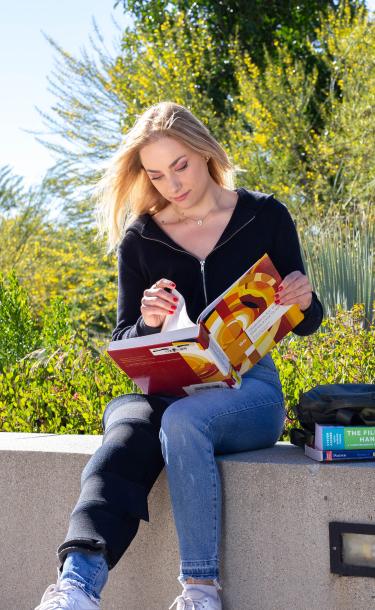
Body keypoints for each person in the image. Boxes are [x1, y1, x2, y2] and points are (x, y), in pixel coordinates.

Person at [35, 101, 323, 610]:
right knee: (124, 428)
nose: (172, 184)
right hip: (169, 388)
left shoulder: (266, 216)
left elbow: (307, 321)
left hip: (249, 392)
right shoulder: (141, 239)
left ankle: (200, 592)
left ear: (203, 150)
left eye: (181, 165)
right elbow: (125, 338)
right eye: (156, 174)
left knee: (183, 422)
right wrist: (146, 321)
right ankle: (76, 588)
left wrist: (304, 299)